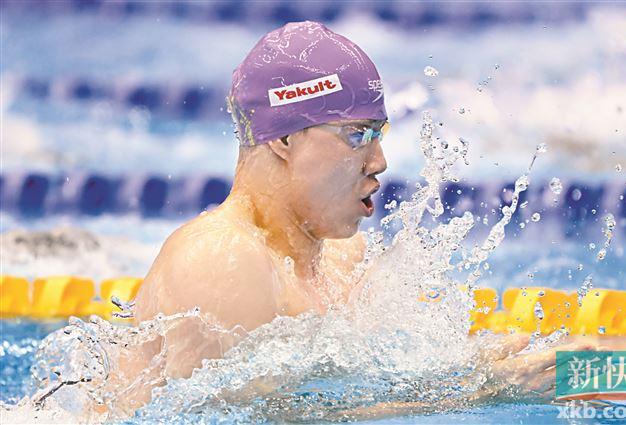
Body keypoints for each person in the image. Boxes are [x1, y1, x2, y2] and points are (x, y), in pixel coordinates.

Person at [105, 20, 596, 418]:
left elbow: (349, 390)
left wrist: (476, 368)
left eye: (379, 134)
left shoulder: (342, 257)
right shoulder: (221, 259)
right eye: (357, 135)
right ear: (284, 139)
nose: (379, 161)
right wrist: (477, 395)